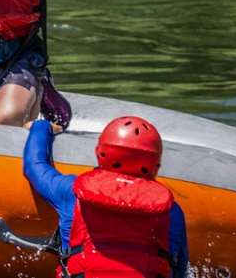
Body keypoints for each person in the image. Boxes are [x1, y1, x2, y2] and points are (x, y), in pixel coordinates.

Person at [23, 116, 189, 278]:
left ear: (99, 154)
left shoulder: (72, 191)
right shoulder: (171, 210)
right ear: (156, 166)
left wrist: (42, 127)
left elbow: (33, 166)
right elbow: (180, 269)